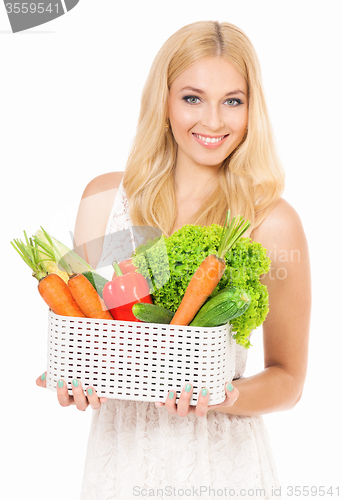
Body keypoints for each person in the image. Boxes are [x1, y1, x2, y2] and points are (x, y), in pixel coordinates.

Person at [37, 20, 311, 499]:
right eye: (192, 97)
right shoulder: (104, 201)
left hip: (221, 464)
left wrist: (224, 396)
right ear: (163, 102)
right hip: (119, 460)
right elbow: (93, 335)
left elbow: (289, 380)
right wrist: (75, 379)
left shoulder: (272, 223)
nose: (213, 121)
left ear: (252, 110)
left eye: (233, 100)